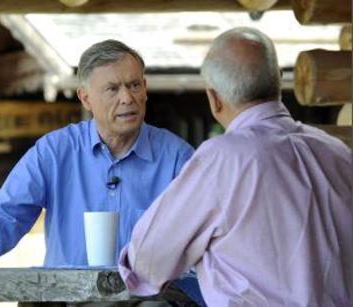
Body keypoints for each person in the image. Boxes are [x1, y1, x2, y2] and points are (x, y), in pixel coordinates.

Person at [0, 40, 194, 272]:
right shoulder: (55, 152)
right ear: (86, 98)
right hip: (70, 300)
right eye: (112, 89)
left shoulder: (177, 157)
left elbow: (211, 231)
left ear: (145, 90)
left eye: (134, 85)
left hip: (150, 300)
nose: (127, 97)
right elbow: (2, 218)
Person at [119, 27, 353, 306]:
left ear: (214, 99)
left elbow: (148, 260)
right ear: (278, 81)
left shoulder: (222, 159)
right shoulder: (337, 152)